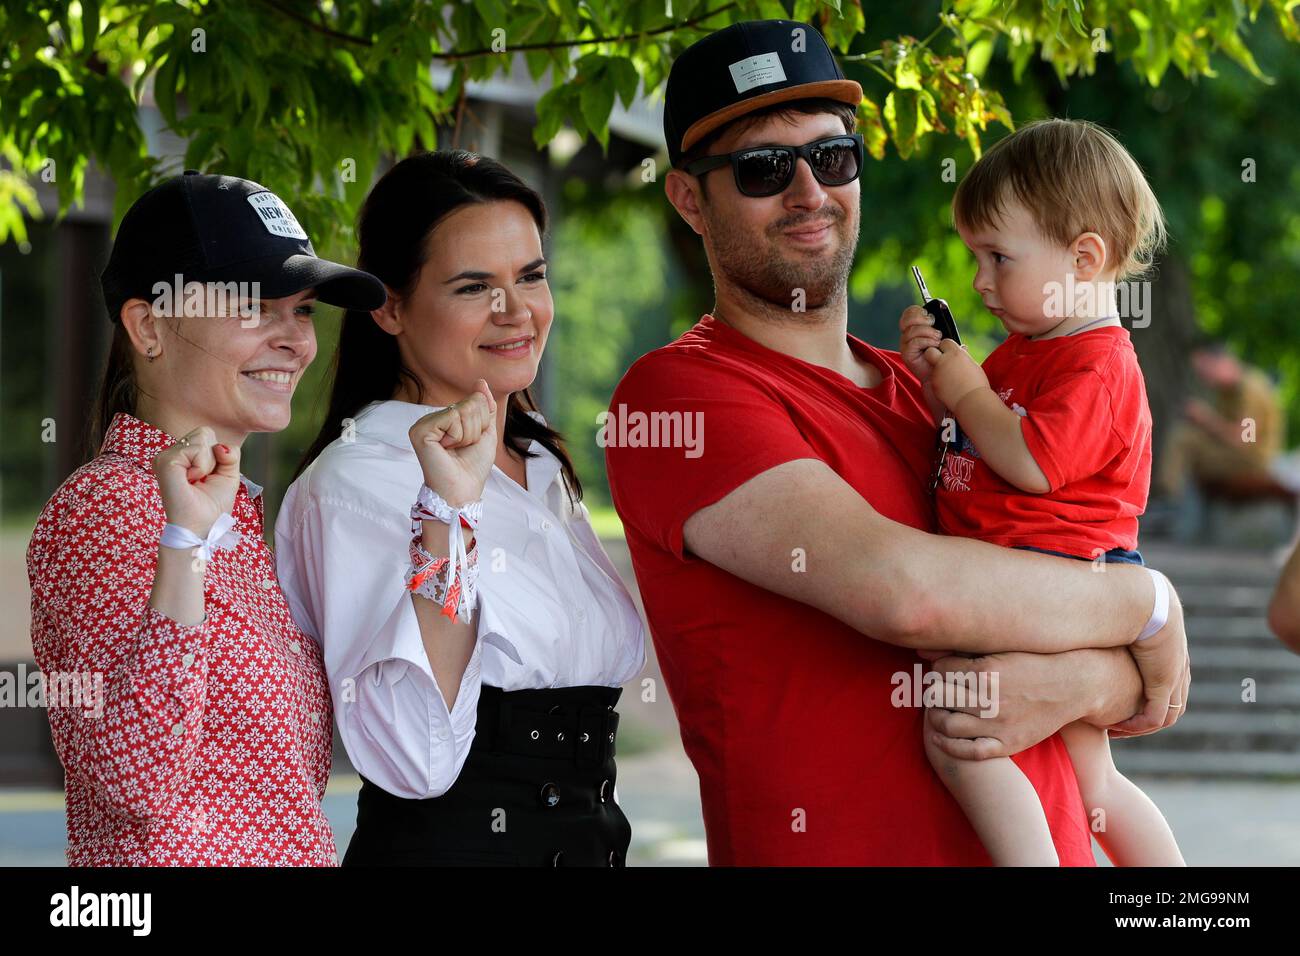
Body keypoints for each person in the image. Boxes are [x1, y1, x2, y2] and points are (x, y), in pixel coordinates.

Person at [604, 19, 1189, 866]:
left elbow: (1130, 684)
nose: (810, 191)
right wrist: (1149, 609)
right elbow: (909, 592)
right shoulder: (679, 397)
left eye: (834, 157)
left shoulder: (940, 390)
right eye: (764, 168)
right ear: (690, 199)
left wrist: (1091, 675)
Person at [275, 150, 646, 867]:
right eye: (475, 286)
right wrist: (447, 508)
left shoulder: (538, 461)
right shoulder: (357, 480)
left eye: (531, 276)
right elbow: (414, 755)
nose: (517, 312)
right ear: (389, 306)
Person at [26, 171, 386, 865]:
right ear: (148, 325)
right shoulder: (107, 507)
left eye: (305, 310)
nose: (295, 341)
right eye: (255, 306)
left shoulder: (233, 516)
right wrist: (183, 541)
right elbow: (135, 779)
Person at [901, 117, 1184, 865]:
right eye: (974, 258)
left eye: (998, 257)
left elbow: (1030, 461)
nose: (980, 281)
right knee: (1094, 786)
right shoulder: (1026, 351)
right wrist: (942, 385)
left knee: (962, 739)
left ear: (1083, 258)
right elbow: (971, 436)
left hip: (1048, 591)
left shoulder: (1099, 366)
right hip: (1032, 587)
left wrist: (967, 389)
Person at [1156, 342, 1286, 540]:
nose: (1203, 378)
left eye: (1205, 370)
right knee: (1187, 441)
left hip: (1251, 460)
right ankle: (1173, 506)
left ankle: (1169, 503)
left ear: (1221, 362)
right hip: (1237, 455)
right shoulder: (1229, 391)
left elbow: (1244, 439)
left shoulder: (1251, 389)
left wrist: (1205, 419)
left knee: (1185, 440)